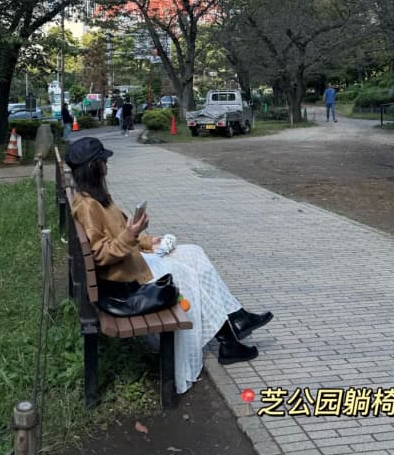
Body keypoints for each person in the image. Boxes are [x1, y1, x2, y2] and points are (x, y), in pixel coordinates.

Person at [66, 137, 273, 395]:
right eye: (103, 161)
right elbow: (101, 254)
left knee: (194, 252)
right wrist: (133, 235)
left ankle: (235, 322)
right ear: (92, 167)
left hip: (133, 262)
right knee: (189, 273)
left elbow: (120, 234)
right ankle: (230, 335)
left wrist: (146, 240)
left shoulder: (97, 197)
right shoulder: (88, 206)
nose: (107, 164)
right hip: (127, 279)